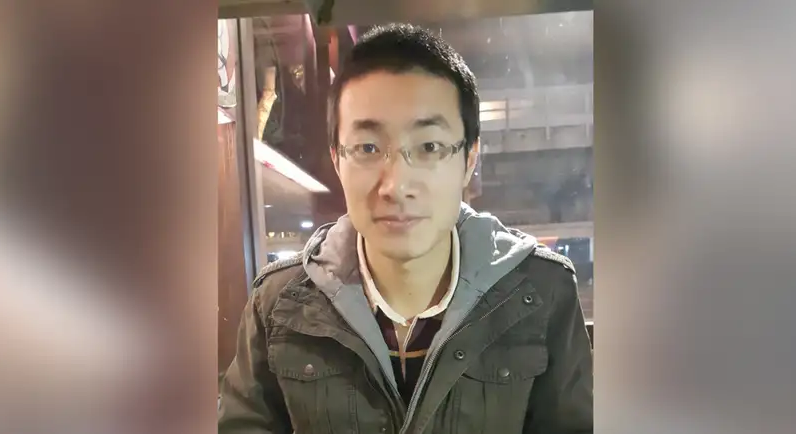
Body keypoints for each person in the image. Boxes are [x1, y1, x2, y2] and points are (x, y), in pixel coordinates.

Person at [218, 23, 593, 434]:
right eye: (367, 148)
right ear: (337, 159)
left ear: (469, 159)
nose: (395, 185)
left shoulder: (542, 292)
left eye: (429, 147)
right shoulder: (277, 304)